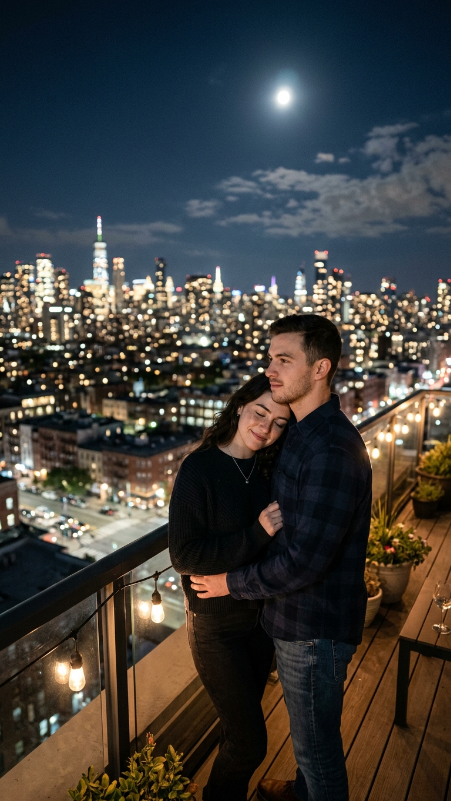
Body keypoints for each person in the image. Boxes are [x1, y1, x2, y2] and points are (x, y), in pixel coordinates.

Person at [191, 314, 372, 801]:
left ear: (320, 369)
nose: (271, 369)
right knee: (308, 742)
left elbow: (304, 561)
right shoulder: (302, 431)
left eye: (284, 359)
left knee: (318, 751)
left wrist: (230, 582)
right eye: (271, 358)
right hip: (293, 621)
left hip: (313, 629)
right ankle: (301, 792)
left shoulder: (330, 448)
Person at [168, 374, 291, 801]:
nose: (266, 427)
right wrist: (256, 534)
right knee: (250, 743)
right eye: (260, 412)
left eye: (278, 422)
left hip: (260, 622)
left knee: (237, 735)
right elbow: (184, 557)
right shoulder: (199, 468)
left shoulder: (268, 469)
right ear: (240, 406)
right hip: (216, 630)